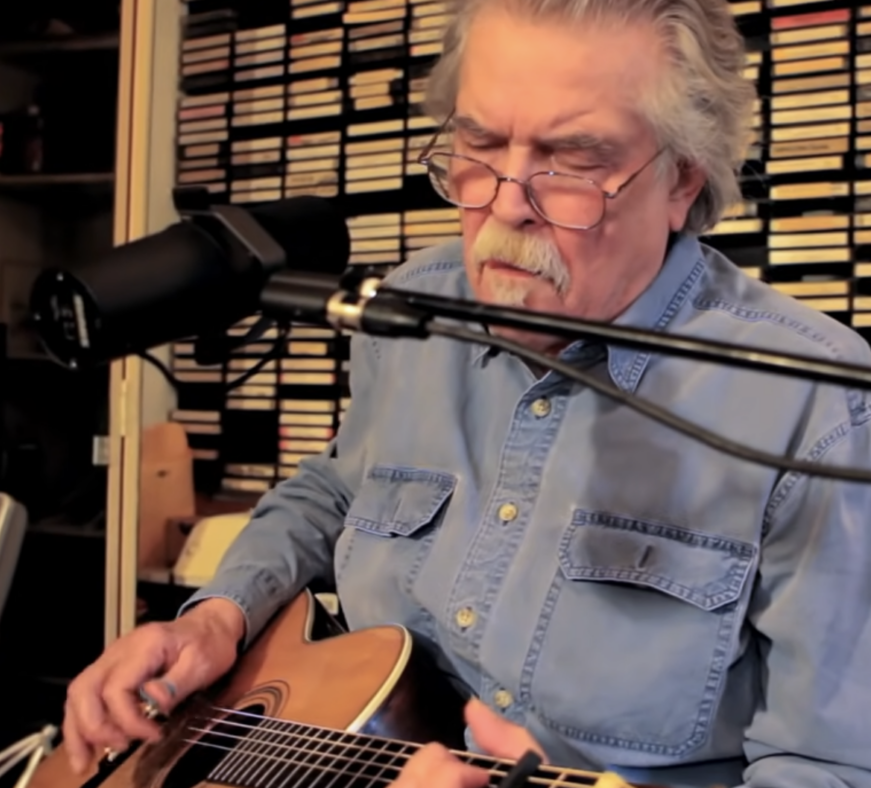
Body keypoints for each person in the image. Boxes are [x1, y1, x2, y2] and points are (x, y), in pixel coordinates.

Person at [61, 1, 871, 786]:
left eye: (574, 162)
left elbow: (829, 767)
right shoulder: (413, 307)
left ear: (682, 181)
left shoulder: (816, 405)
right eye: (479, 146)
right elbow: (338, 487)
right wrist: (218, 616)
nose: (504, 208)